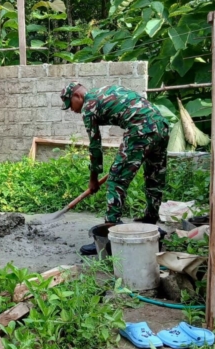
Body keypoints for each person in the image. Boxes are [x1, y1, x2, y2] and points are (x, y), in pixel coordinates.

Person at [61, 82, 169, 254]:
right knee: (154, 178)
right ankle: (150, 225)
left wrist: (93, 179)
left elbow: (95, 147)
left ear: (78, 96)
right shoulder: (104, 91)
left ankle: (108, 236)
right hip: (161, 125)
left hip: (140, 129)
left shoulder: (89, 107)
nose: (72, 110)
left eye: (70, 105)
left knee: (116, 180)